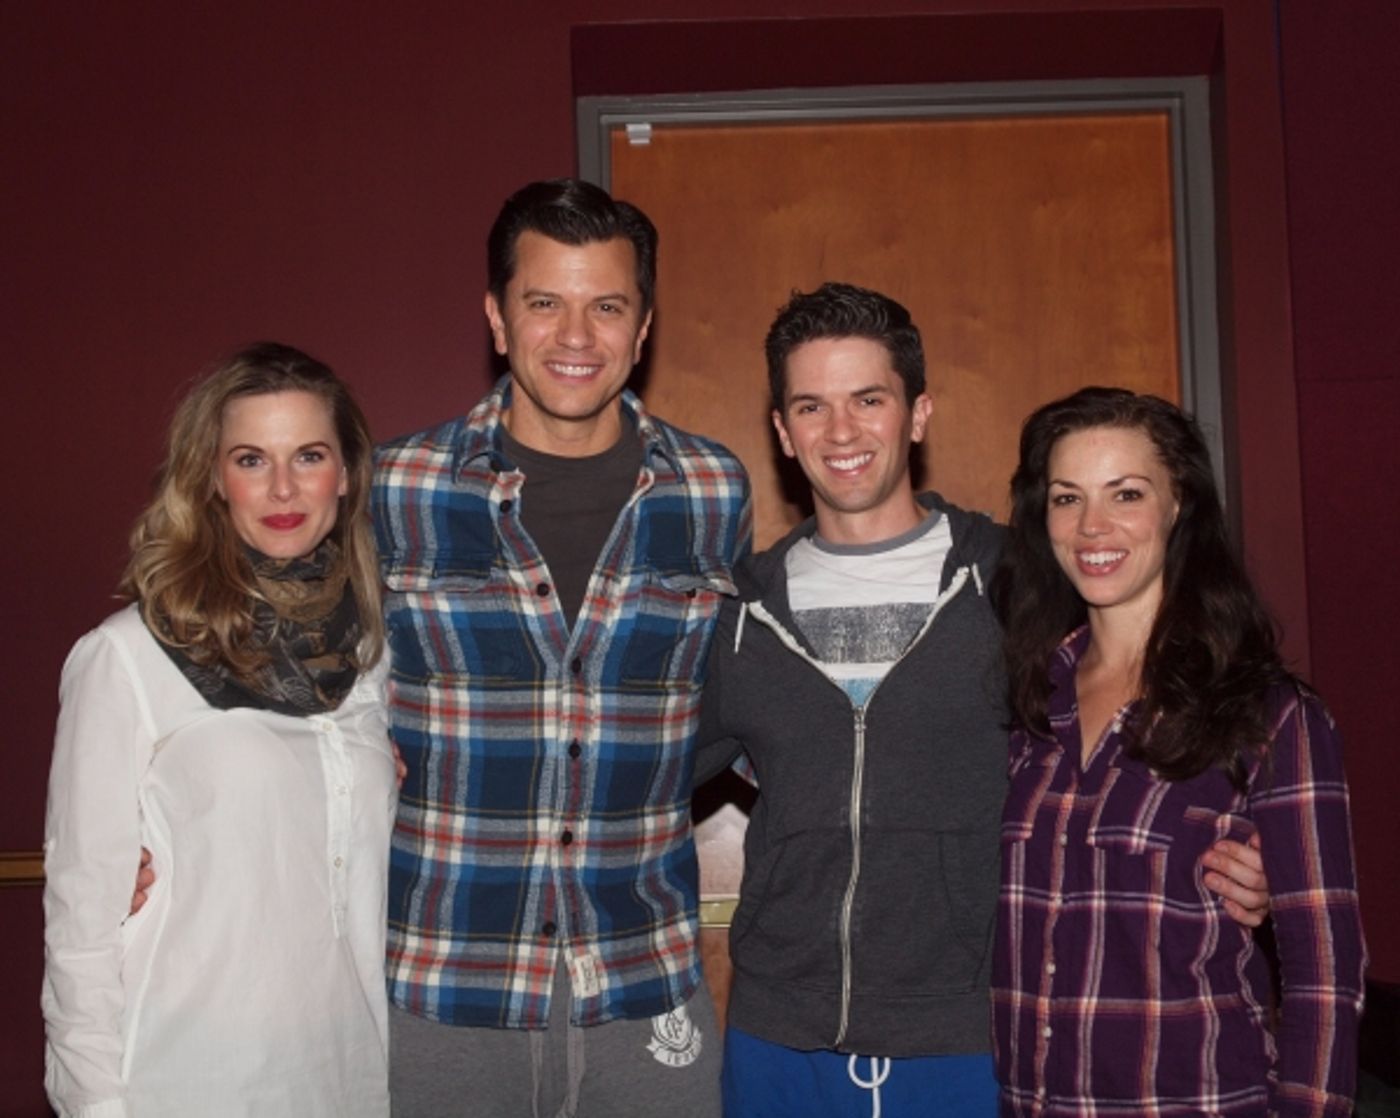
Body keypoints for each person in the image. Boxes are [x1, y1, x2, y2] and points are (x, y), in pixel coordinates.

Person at [694, 284, 1271, 1118]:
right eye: (811, 406)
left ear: (919, 412)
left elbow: (1185, 695)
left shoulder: (1025, 580)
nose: (842, 432)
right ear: (782, 431)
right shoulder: (736, 611)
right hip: (781, 1039)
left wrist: (1246, 843)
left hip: (980, 1036)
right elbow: (630, 777)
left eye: (869, 399)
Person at [372, 179, 751, 1116]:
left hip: (643, 978)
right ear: (498, 318)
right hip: (441, 984)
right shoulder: (395, 485)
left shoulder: (711, 490)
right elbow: (290, 668)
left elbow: (753, 702)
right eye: (545, 302)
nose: (576, 336)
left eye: (606, 306)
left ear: (644, 323)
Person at [989, 387, 1366, 1115]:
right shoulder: (1028, 709)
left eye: (1125, 493)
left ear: (1179, 503)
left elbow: (1327, 973)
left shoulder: (1271, 716)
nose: (1092, 526)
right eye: (1067, 499)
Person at [42, 343, 396, 1117]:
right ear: (211, 478)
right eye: (250, 458)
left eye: (309, 455)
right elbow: (81, 924)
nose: (282, 487)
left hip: (350, 1079)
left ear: (346, 474)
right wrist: (92, 1103)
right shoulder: (125, 660)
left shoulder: (371, 663)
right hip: (181, 1082)